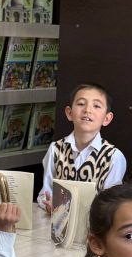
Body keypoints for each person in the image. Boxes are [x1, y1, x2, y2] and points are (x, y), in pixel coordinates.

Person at [37, 83, 126, 211]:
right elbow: (45, 192)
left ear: (106, 118)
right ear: (69, 113)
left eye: (96, 106)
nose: (87, 110)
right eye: (81, 104)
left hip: (94, 222)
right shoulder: (55, 149)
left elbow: (111, 203)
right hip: (58, 220)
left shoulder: (114, 157)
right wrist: (48, 204)